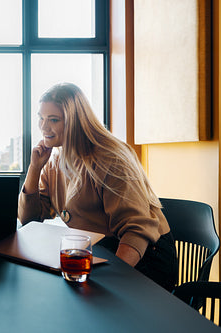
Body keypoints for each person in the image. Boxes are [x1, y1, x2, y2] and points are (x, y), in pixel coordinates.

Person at [18, 82, 177, 291]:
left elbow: (136, 229)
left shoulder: (110, 158)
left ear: (75, 121)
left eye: (53, 120)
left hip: (145, 255)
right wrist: (35, 168)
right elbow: (29, 220)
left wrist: (112, 282)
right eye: (41, 118)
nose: (43, 127)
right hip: (103, 250)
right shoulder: (55, 160)